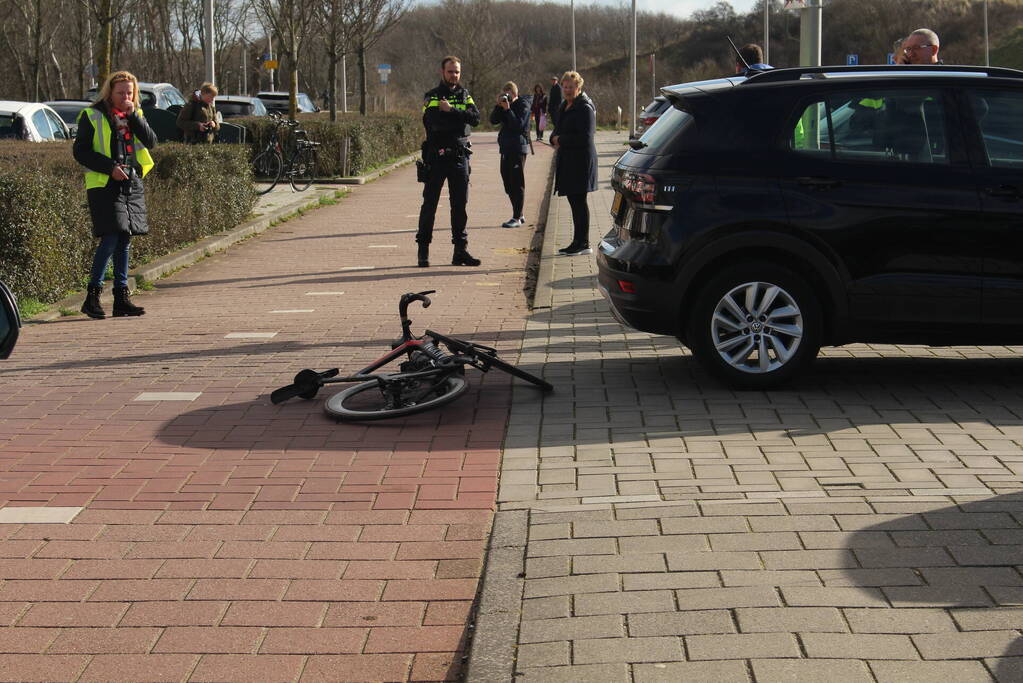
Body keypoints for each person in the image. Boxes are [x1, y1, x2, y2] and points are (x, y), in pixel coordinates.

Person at [73, 70, 157, 319]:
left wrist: (134, 116)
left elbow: (151, 142)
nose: (125, 96)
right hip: (103, 184)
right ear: (109, 92)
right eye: (120, 92)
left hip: (130, 184)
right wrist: (110, 168)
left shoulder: (135, 114)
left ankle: (122, 299)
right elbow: (81, 151)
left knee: (125, 239)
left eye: (129, 92)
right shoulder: (92, 115)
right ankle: (92, 296)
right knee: (110, 237)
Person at [416, 55, 482, 268]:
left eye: (457, 72)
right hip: (436, 156)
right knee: (430, 205)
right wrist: (459, 119)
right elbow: (435, 124)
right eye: (450, 71)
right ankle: (423, 250)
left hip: (459, 156)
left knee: (460, 206)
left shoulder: (464, 94)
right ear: (442, 72)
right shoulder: (432, 96)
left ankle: (460, 251)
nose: (454, 75)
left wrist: (452, 111)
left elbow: (476, 119)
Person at [550, 70, 596, 257]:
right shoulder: (564, 106)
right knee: (574, 201)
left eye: (571, 87)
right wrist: (554, 137)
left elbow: (586, 137)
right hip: (568, 160)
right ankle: (577, 241)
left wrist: (561, 140)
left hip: (581, 161)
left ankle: (583, 243)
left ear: (578, 87)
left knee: (579, 201)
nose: (567, 90)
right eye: (565, 87)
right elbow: (558, 130)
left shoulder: (584, 107)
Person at [490, 81, 532, 229]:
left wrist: (508, 109)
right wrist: (498, 105)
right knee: (507, 182)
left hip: (517, 148)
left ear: (515, 94)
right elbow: (493, 120)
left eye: (509, 94)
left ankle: (517, 216)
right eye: (504, 93)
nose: (507, 97)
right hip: (506, 148)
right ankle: (519, 213)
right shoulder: (504, 105)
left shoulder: (523, 105)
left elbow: (518, 125)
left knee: (516, 182)